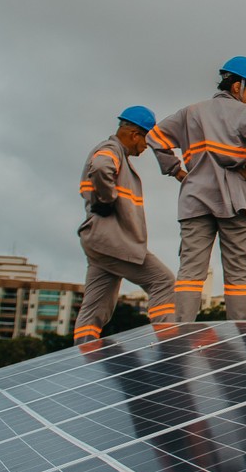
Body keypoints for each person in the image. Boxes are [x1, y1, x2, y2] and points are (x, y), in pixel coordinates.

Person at [148, 55, 246, 321]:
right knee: (239, 272)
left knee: (190, 273)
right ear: (238, 85)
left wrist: (177, 171)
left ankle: (182, 331)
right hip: (235, 199)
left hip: (195, 199)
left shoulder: (190, 112)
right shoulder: (245, 112)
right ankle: (239, 331)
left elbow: (155, 137)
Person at [74, 105, 176, 344]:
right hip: (113, 240)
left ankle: (82, 354)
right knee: (162, 281)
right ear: (134, 135)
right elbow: (101, 167)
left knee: (95, 306)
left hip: (98, 242)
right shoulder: (111, 149)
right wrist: (106, 198)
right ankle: (171, 344)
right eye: (145, 142)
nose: (144, 149)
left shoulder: (113, 151)